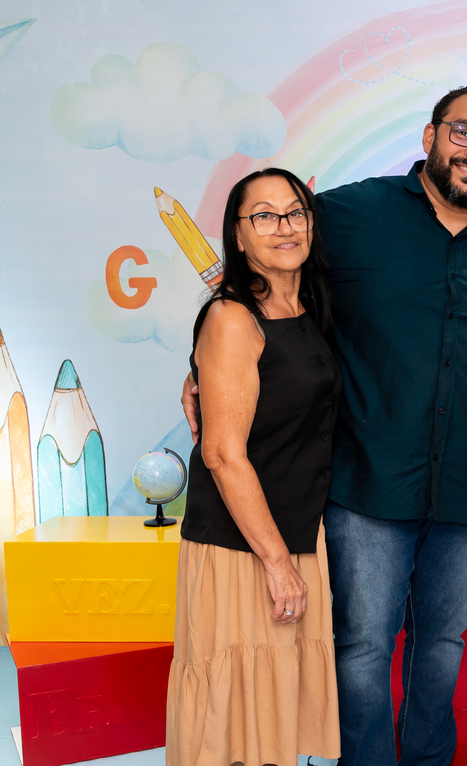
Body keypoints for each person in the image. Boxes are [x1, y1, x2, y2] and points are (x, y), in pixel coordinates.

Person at [182, 83, 467, 766]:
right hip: (367, 481)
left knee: (441, 647)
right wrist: (202, 364)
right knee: (363, 648)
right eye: (463, 132)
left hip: (466, 488)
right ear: (430, 136)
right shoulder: (345, 214)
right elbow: (261, 284)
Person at [167, 168, 340, 766]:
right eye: (263, 216)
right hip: (245, 546)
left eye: (294, 212)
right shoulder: (232, 318)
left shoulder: (309, 307)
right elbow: (221, 453)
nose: (284, 227)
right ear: (237, 237)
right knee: (233, 719)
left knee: (271, 716)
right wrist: (277, 563)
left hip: (294, 530)